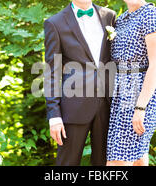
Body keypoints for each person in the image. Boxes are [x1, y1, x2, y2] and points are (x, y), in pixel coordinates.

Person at [43, 0, 116, 166]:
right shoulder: (55, 23)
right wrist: (54, 115)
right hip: (73, 106)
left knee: (104, 165)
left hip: (108, 104)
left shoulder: (109, 16)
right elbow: (51, 72)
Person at [106, 0, 156, 166]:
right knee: (138, 158)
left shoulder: (151, 14)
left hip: (140, 92)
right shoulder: (121, 19)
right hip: (120, 94)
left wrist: (140, 107)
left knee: (117, 161)